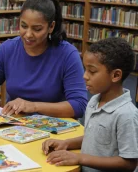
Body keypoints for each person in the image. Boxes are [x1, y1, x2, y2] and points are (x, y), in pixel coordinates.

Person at [0, 0, 87, 118]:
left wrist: (33, 106)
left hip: (55, 130)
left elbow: (79, 105)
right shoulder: (7, 49)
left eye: (37, 29)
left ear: (51, 27)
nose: (28, 34)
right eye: (24, 26)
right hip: (15, 126)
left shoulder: (67, 54)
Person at [42, 37, 138, 172]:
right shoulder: (94, 101)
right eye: (85, 69)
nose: (84, 76)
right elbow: (93, 138)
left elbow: (129, 163)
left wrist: (80, 158)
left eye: (92, 71)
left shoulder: (126, 115)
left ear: (116, 75)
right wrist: (66, 143)